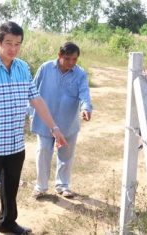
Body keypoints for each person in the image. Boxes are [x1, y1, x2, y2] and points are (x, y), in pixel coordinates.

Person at [0, 21, 67, 235]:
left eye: (18, 44)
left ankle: (7, 222)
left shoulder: (23, 67)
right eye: (9, 43)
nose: (13, 48)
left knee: (10, 187)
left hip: (15, 142)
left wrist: (54, 128)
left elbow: (36, 100)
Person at [30, 42, 92, 199]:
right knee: (43, 151)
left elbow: (84, 93)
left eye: (74, 59)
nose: (71, 63)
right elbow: (32, 90)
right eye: (67, 58)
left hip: (68, 123)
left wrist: (86, 108)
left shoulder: (80, 74)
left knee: (66, 155)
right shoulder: (45, 68)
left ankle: (63, 185)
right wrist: (31, 112)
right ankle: (41, 186)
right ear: (59, 55)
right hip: (45, 122)